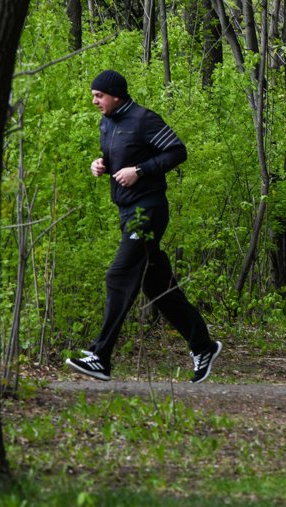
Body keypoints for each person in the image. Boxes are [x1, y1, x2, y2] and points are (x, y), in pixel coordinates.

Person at [66, 70, 222, 383]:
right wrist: (101, 164)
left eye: (99, 95)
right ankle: (202, 346)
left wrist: (140, 170)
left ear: (115, 95)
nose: (94, 100)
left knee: (119, 275)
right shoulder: (107, 122)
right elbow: (117, 156)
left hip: (148, 210)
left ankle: (100, 356)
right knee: (157, 287)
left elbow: (178, 151)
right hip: (127, 211)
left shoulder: (143, 119)